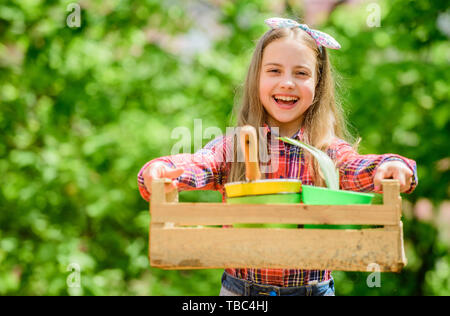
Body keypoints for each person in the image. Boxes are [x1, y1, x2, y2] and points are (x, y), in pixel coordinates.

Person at [137, 17, 418, 296]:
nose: (287, 83)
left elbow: (356, 166)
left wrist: (391, 165)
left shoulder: (325, 152)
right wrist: (162, 168)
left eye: (301, 73)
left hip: (312, 291)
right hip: (241, 292)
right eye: (274, 70)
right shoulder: (238, 147)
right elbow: (200, 163)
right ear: (256, 78)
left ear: (318, 85)